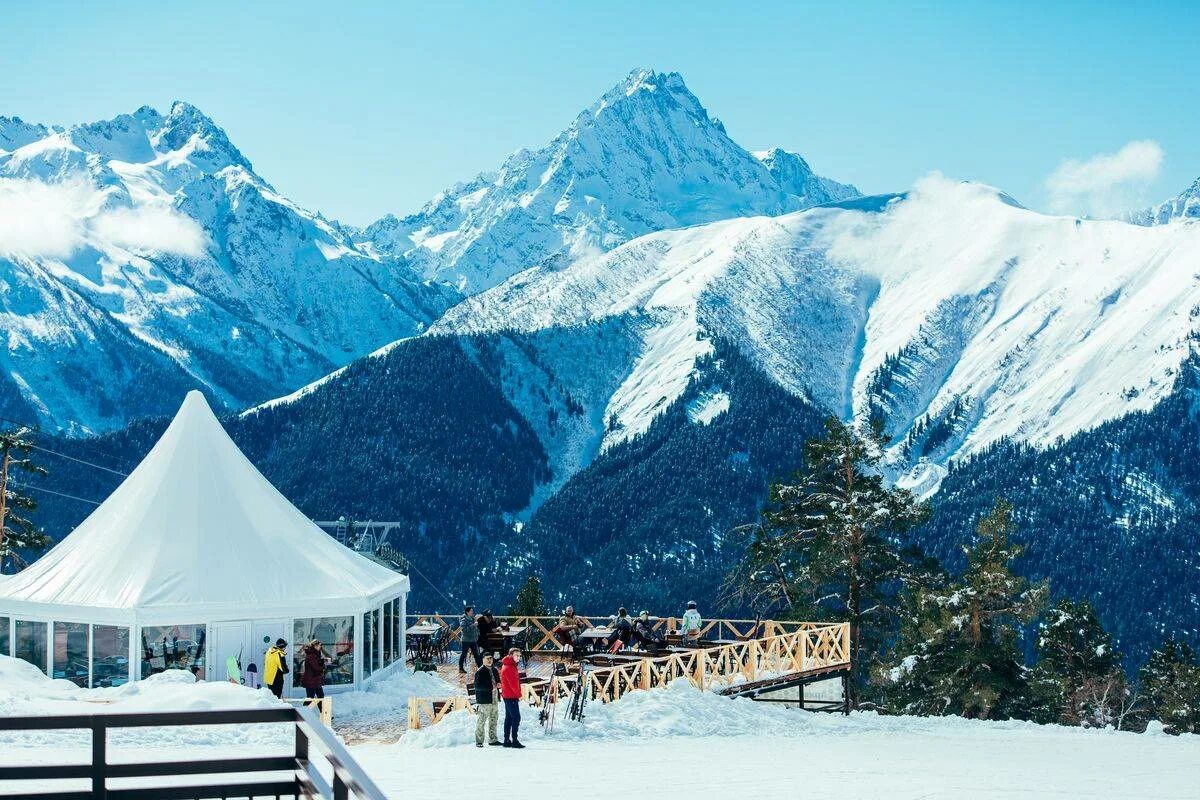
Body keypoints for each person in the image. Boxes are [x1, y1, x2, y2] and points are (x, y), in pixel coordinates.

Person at [473, 652, 503, 748]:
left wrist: (498, 684)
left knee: (494, 719)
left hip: (494, 697)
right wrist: (491, 687)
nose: (489, 660)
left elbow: (497, 680)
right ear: (483, 660)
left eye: (491, 658)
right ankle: (479, 741)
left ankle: (493, 739)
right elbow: (477, 686)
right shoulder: (480, 671)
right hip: (485, 699)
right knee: (482, 720)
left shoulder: (494, 669)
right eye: (487, 658)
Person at [499, 647, 525, 748]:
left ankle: (506, 740)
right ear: (511, 656)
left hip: (507, 695)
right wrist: (519, 695)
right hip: (511, 696)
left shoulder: (509, 665)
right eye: (516, 655)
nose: (518, 657)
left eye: (519, 656)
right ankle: (514, 740)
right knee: (516, 718)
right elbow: (513, 684)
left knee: (509, 718)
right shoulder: (509, 667)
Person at [300, 639, 328, 703]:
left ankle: (322, 712)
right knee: (310, 699)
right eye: (319, 645)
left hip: (315, 680)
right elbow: (316, 667)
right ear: (315, 646)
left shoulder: (316, 653)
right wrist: (324, 665)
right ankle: (304, 711)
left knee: (320, 697)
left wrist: (322, 661)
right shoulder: (311, 655)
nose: (320, 647)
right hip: (311, 680)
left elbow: (317, 664)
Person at [459, 606, 481, 673]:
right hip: (466, 640)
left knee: (476, 654)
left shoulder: (472, 619)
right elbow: (464, 630)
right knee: (464, 654)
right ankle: (460, 668)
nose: (472, 612)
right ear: (467, 612)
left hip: (473, 640)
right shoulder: (464, 620)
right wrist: (473, 625)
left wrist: (477, 632)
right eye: (471, 611)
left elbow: (475, 628)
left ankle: (480, 667)